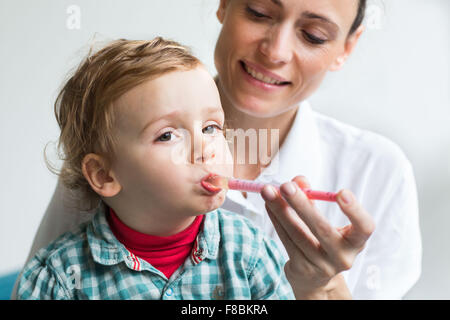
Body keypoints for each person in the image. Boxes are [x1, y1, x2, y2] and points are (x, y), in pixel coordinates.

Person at [14, 0, 422, 300]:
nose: (275, 52)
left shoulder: (377, 172)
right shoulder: (105, 155)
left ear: (347, 47)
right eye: (260, 11)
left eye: (314, 35)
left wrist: (321, 286)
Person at [16, 38, 295, 300]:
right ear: (104, 175)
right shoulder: (57, 279)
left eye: (210, 127)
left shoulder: (250, 252)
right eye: (167, 135)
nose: (205, 150)